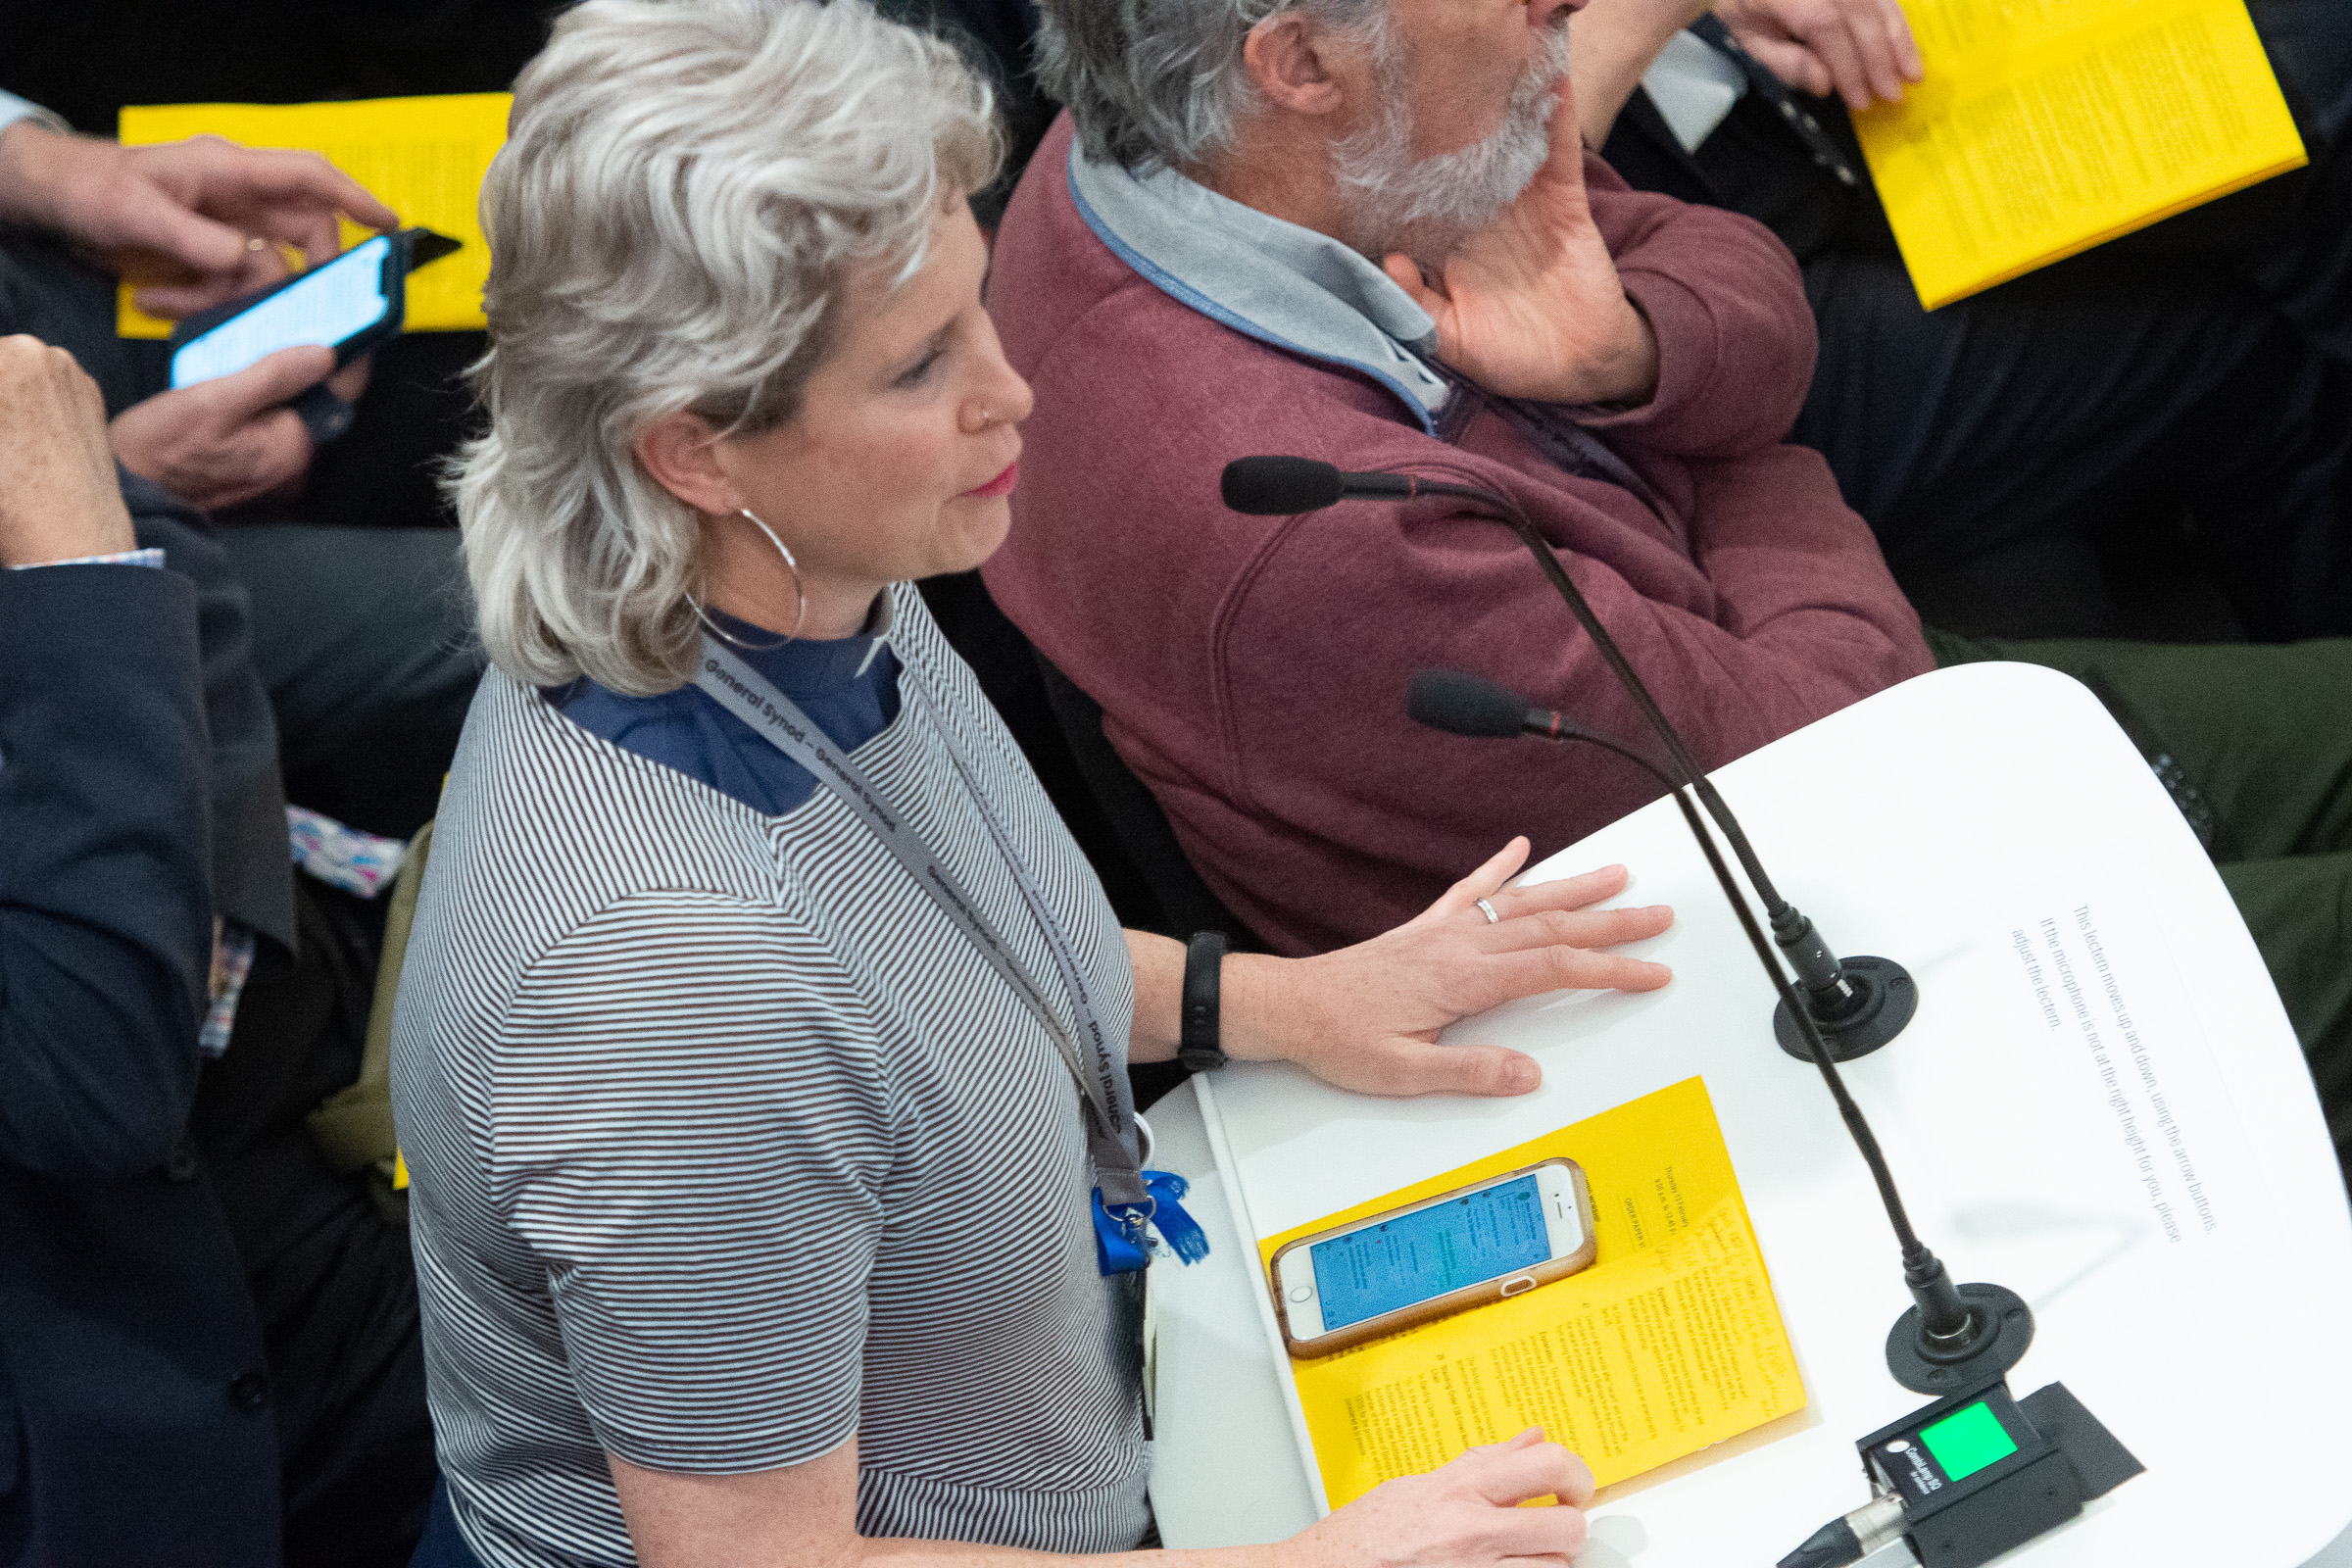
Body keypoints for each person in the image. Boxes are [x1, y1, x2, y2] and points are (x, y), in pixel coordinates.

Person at [390, 4, 1679, 1563]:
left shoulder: (797, 572)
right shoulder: (673, 991)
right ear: (696, 451)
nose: (1012, 396)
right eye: (923, 365)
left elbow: (921, 959)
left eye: (977, 304)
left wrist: (1286, 1001)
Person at [979, 0, 2352, 1169]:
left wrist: (1627, 358)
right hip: (1785, 973)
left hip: (1815, 708)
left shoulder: (1236, 149)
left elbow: (1736, 280)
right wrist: (1709, 424)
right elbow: (1848, 757)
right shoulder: (1296, 529)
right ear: (1299, 64)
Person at [1567, 0, 2352, 636]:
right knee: (2244, 345)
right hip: (1668, 315)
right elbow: (1507, 222)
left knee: (2300, 104)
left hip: (1773, 106)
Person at [0, 92, 482, 837]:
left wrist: (43, 168)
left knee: (416, 351)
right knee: (558, 620)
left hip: (36, 271)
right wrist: (101, 494)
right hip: (52, 575)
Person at [0, 335, 282, 1563]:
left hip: (254, 1084)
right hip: (100, 1372)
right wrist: (76, 566)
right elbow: (96, 1074)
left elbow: (144, 528)